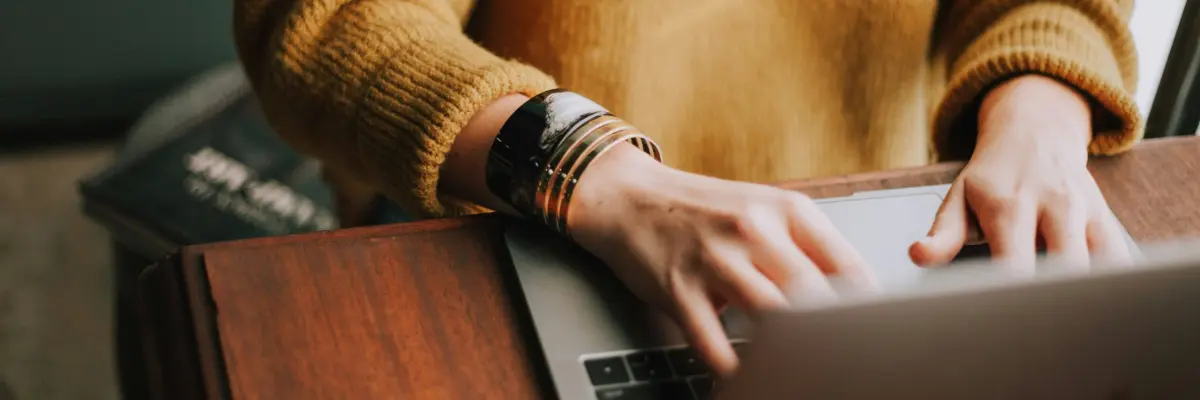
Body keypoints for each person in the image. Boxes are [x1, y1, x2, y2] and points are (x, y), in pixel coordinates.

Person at [233, 0, 1141, 376]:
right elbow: (324, 24)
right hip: (516, 227)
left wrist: (1041, 108)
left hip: (871, 245)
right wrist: (595, 172)